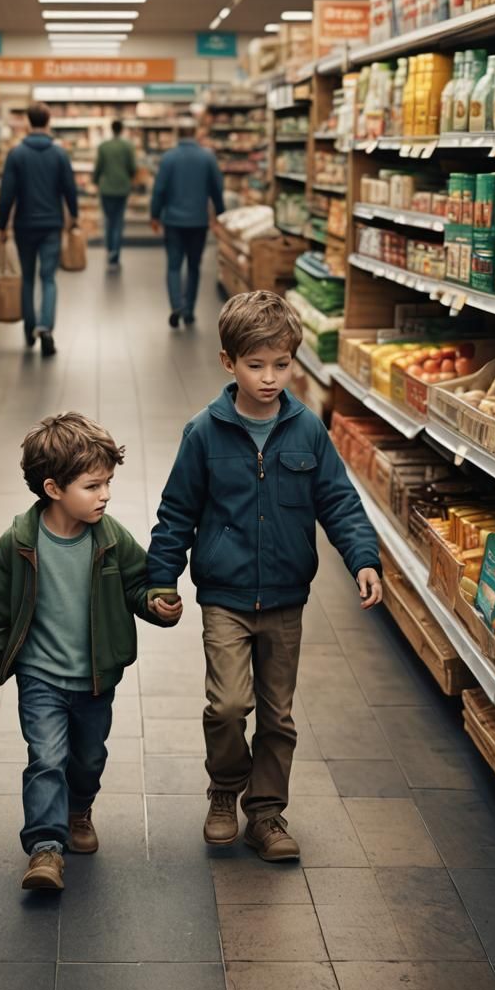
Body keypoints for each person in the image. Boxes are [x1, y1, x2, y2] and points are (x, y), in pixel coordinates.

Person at [146, 292, 383, 862]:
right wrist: (160, 580)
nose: (270, 377)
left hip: (284, 597)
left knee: (278, 714)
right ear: (228, 362)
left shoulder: (306, 432)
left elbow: (340, 502)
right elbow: (176, 512)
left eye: (282, 364)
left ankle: (267, 813)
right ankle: (225, 791)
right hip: (224, 595)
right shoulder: (204, 432)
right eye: (256, 365)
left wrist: (364, 558)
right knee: (228, 705)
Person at [0, 413, 181, 891]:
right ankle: (46, 848)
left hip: (95, 677)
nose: (105, 494)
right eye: (92, 485)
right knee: (46, 757)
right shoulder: (19, 544)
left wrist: (155, 604)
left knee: (87, 757)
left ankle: (79, 808)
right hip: (40, 675)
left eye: (107, 483)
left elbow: (137, 585)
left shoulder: (111, 539)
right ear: (53, 488)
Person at [0, 102, 79, 358]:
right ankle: (45, 328)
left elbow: (6, 193)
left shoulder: (16, 154)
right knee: (49, 278)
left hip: (24, 225)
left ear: (28, 123)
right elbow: (70, 189)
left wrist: (2, 224)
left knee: (28, 278)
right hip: (51, 225)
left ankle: (29, 329)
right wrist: (73, 215)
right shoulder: (59, 154)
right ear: (48, 122)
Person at [150, 122, 225, 329]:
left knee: (173, 265)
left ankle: (176, 305)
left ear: (177, 134)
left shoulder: (168, 158)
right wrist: (220, 214)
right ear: (195, 133)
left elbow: (159, 190)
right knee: (194, 266)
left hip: (173, 221)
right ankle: (189, 310)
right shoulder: (207, 157)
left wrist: (155, 215)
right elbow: (217, 189)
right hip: (198, 222)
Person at [93, 118, 136, 268]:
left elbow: (98, 168)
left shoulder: (103, 147)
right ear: (122, 130)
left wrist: (95, 181)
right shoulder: (128, 147)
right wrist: (128, 178)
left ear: (111, 129)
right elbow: (132, 168)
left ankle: (109, 248)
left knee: (108, 220)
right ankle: (115, 253)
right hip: (122, 188)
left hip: (106, 189)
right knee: (118, 221)